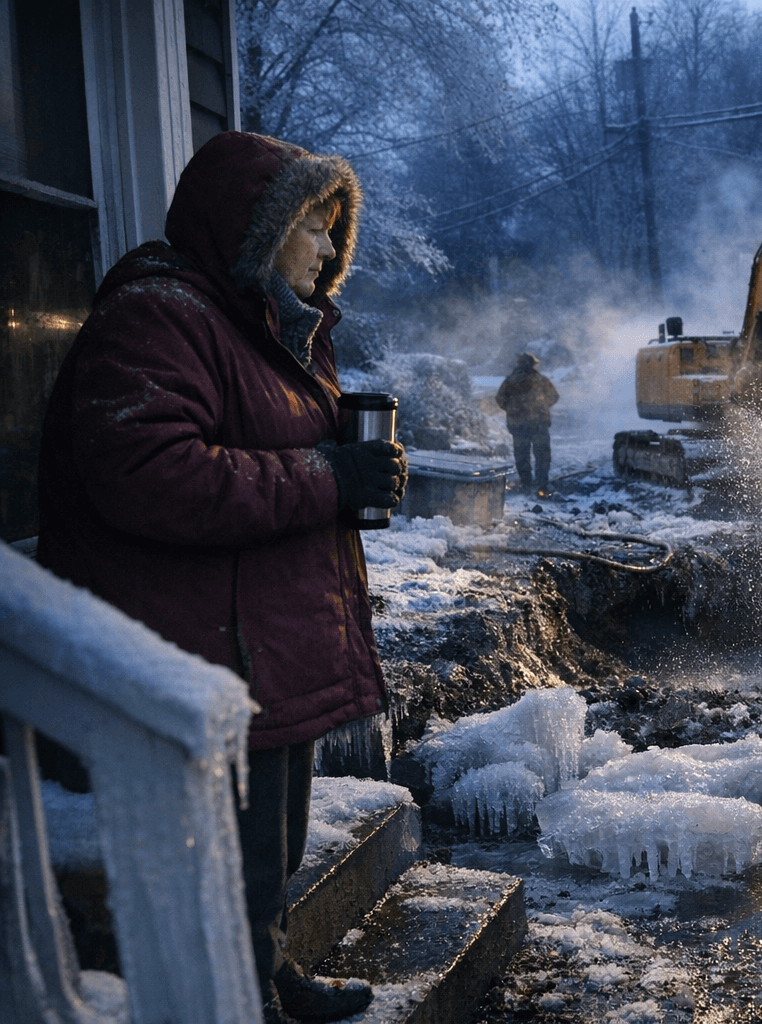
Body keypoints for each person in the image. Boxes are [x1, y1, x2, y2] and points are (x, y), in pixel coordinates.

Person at [36, 131, 406, 1024]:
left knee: (267, 849)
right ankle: (235, 999)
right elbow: (149, 472)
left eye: (332, 232)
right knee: (224, 853)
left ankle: (265, 974)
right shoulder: (162, 315)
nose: (330, 251)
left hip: (263, 638)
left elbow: (268, 448)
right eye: (316, 229)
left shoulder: (267, 328)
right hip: (206, 645)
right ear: (260, 224)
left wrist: (354, 473)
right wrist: (327, 478)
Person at [496, 352, 560, 495]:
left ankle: (526, 483)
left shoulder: (509, 381)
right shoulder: (540, 380)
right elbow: (554, 396)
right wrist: (542, 406)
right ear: (532, 364)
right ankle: (542, 483)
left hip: (518, 425)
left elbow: (500, 399)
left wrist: (512, 410)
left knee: (521, 454)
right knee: (542, 454)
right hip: (539, 424)